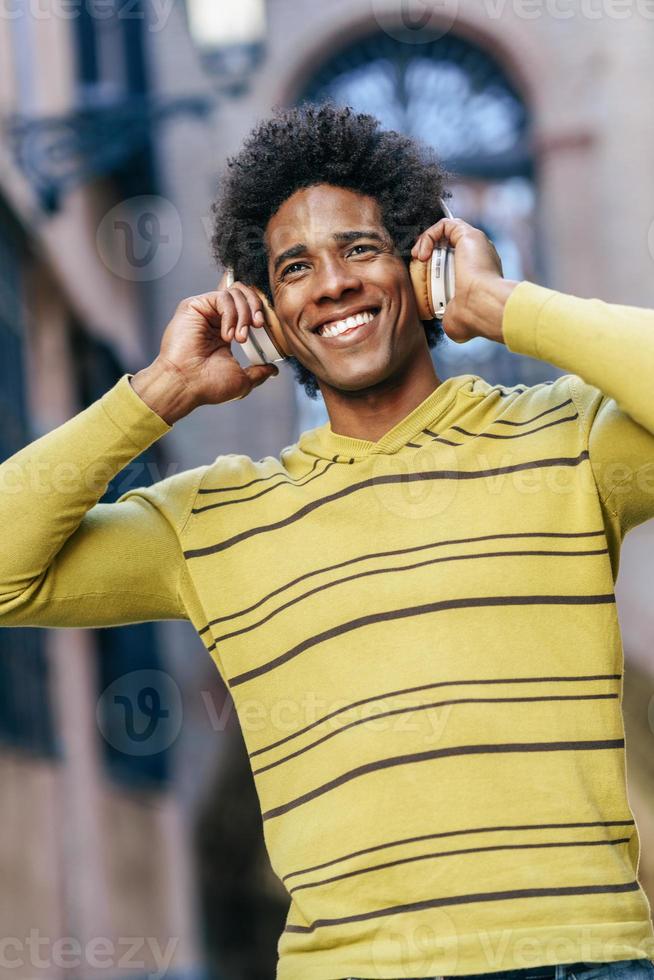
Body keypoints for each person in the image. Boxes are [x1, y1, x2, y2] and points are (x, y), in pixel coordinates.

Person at [1, 102, 654, 980]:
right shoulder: (212, 519)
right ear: (268, 312)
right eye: (296, 266)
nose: (333, 283)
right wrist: (159, 391)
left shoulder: (567, 442)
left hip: (586, 958)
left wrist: (503, 305)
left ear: (421, 269)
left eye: (359, 248)